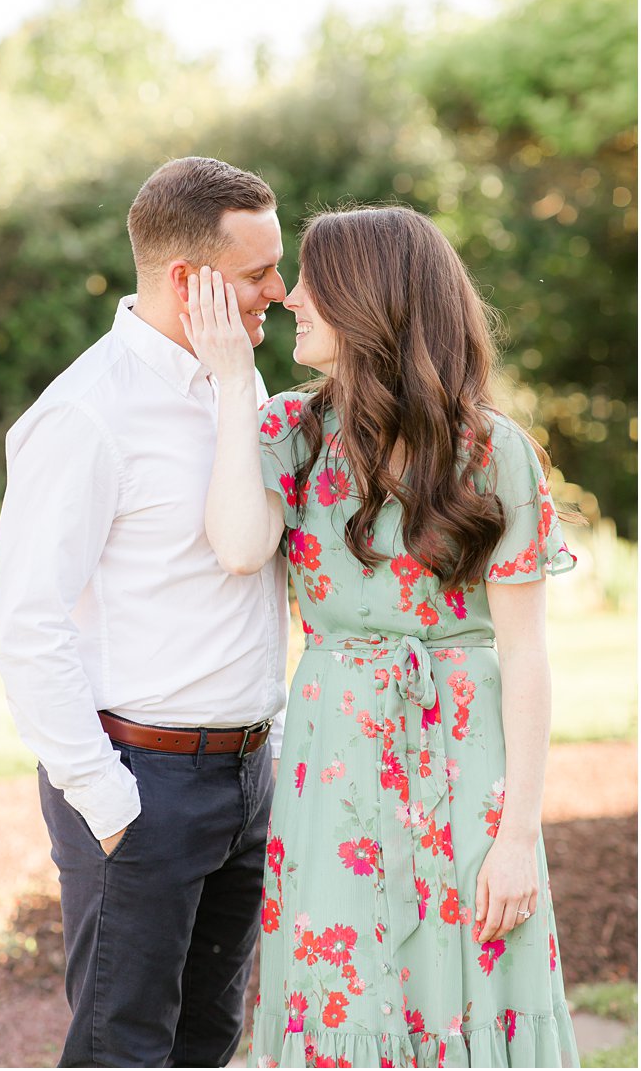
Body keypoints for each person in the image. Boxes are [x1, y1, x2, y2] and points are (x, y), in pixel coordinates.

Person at [183, 205, 579, 1066]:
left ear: (371, 299)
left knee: (473, 984)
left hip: (468, 764)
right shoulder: (291, 429)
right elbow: (243, 547)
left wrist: (516, 839)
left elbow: (526, 655)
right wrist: (226, 383)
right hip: (336, 766)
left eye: (313, 281)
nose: (290, 297)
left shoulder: (494, 450)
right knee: (343, 994)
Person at [0, 156, 290, 1067]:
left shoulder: (240, 383)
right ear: (187, 281)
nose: (280, 289)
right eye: (256, 274)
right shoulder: (87, 413)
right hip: (141, 783)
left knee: (206, 1042)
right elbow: (24, 625)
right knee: (125, 1050)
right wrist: (108, 800)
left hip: (245, 778)